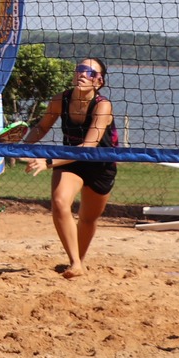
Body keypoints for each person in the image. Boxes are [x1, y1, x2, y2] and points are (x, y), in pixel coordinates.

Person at [20, 58, 116, 279]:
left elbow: (89, 146)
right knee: (60, 202)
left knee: (88, 219)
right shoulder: (60, 100)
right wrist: (22, 148)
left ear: (99, 81)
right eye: (80, 70)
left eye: (90, 73)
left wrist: (48, 162)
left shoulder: (103, 105)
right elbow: (42, 126)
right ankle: (75, 263)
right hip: (70, 163)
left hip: (99, 165)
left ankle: (79, 261)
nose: (83, 74)